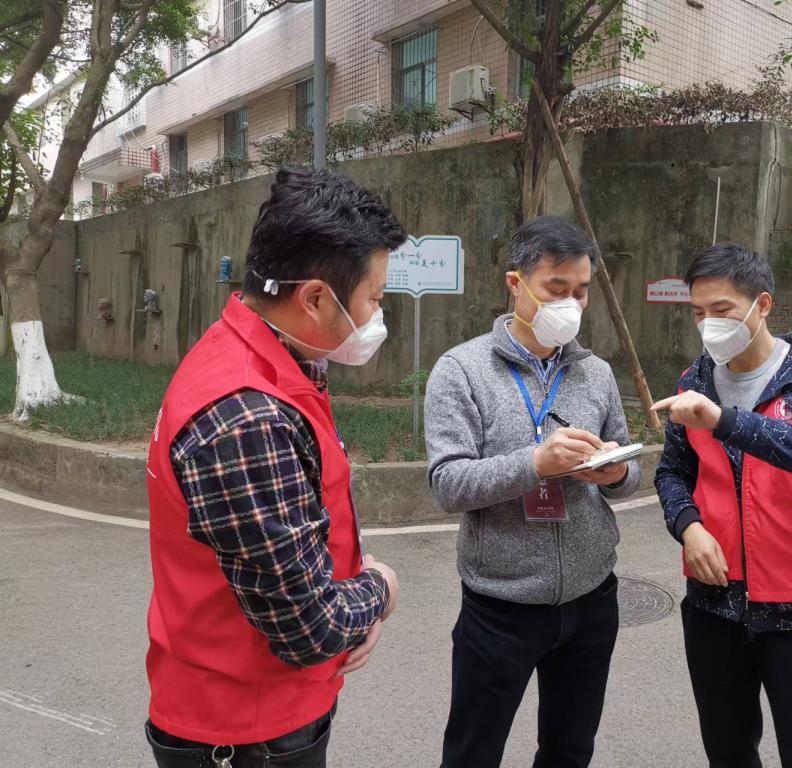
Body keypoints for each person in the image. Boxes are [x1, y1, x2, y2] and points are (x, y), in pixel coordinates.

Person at [144, 168, 405, 768]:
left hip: (255, 708)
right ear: (314, 298)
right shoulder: (247, 417)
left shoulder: (262, 354)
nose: (377, 314)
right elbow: (308, 627)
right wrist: (380, 589)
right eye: (374, 298)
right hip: (247, 730)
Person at [425, 216, 641, 768]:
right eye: (556, 287)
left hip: (591, 598)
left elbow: (629, 471)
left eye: (581, 290)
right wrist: (535, 464)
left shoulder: (596, 372)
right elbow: (448, 484)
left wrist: (615, 475)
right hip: (501, 604)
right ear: (515, 284)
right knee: (473, 753)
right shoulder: (461, 370)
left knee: (570, 749)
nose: (571, 303)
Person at [653, 243, 792, 768]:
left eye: (721, 310)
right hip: (713, 605)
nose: (708, 324)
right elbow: (673, 472)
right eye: (698, 313)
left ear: (762, 304)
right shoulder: (694, 381)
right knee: (727, 752)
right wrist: (689, 527)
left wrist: (724, 420)